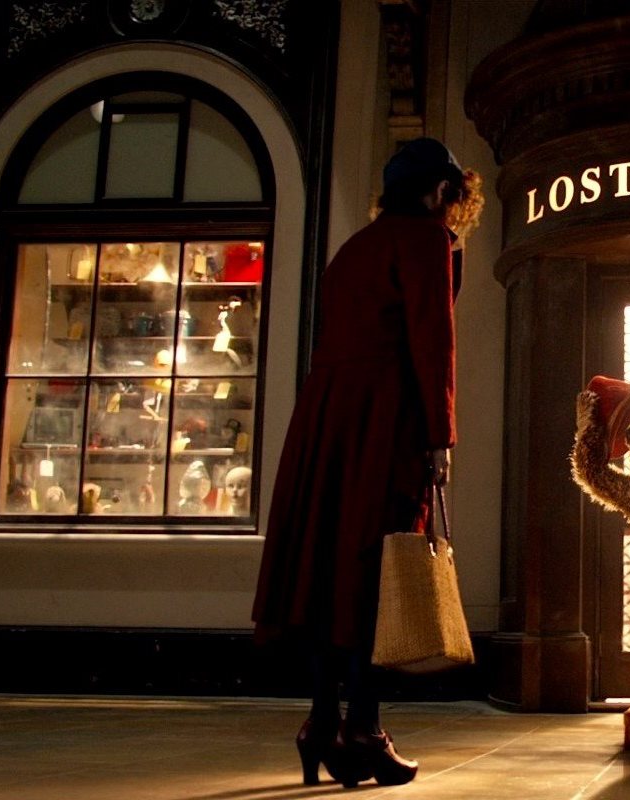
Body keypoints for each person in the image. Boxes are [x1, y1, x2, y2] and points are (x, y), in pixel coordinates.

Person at [252, 137, 481, 788]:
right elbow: (432, 344)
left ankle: (324, 723)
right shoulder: (426, 242)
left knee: (334, 574)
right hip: (386, 418)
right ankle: (365, 729)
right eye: (454, 196)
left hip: (328, 419)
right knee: (380, 575)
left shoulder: (353, 249)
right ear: (440, 191)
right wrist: (440, 439)